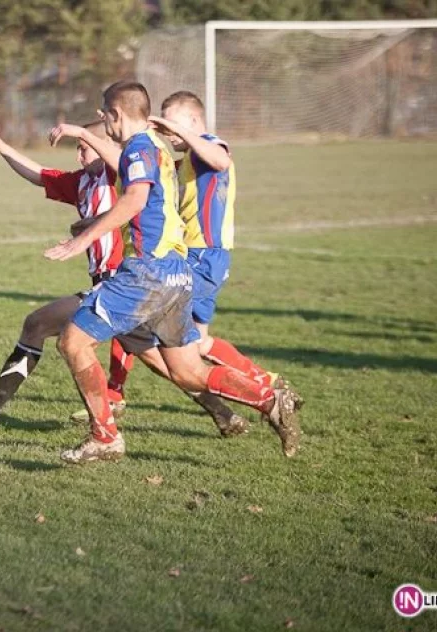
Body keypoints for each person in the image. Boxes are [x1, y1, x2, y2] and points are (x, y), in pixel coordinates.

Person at [45, 81, 302, 463]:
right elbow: (139, 190)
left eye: (105, 115)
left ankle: (105, 437)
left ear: (116, 114)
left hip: (146, 273)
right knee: (188, 371)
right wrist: (84, 141)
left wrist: (82, 240)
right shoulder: (157, 151)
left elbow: (135, 198)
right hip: (178, 275)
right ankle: (269, 399)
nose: (105, 124)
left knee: (73, 342)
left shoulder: (139, 148)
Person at [0, 110, 132, 432]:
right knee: (175, 364)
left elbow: (128, 201)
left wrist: (84, 135)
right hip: (107, 284)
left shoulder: (120, 176)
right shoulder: (82, 182)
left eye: (84, 145)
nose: (79, 152)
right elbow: (38, 174)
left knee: (44, 326)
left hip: (126, 283)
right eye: (78, 145)